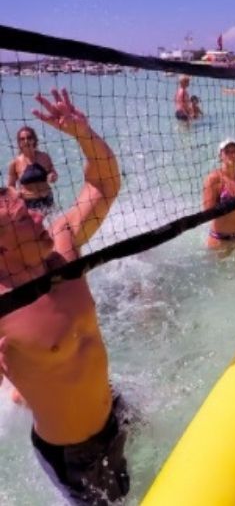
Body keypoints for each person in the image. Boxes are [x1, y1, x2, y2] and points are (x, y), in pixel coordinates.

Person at [0, 89, 127, 504]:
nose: (39, 214)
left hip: (115, 408)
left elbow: (105, 184)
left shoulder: (62, 244)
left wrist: (82, 133)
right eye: (24, 217)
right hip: (75, 457)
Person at [7, 125, 58, 211]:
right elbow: (10, 186)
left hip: (48, 199)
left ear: (34, 140)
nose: (26, 141)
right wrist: (16, 193)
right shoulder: (15, 163)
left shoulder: (44, 157)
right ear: (19, 143)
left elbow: (53, 173)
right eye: (22, 139)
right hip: (30, 203)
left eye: (29, 137)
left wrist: (52, 176)